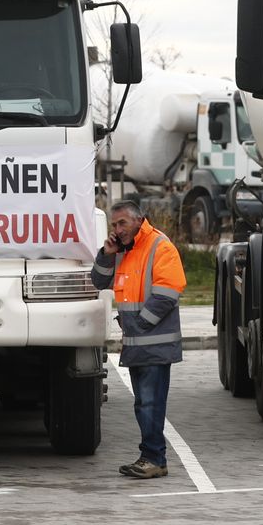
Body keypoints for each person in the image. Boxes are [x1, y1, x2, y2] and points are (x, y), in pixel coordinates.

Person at [91, 199, 185, 479]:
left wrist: (139, 325)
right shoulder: (123, 251)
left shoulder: (160, 246)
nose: (118, 229)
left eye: (122, 223)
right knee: (144, 403)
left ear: (138, 220)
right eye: (114, 224)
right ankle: (151, 457)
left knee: (150, 403)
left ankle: (154, 458)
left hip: (153, 343)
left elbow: (168, 293)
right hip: (138, 344)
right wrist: (107, 254)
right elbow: (98, 281)